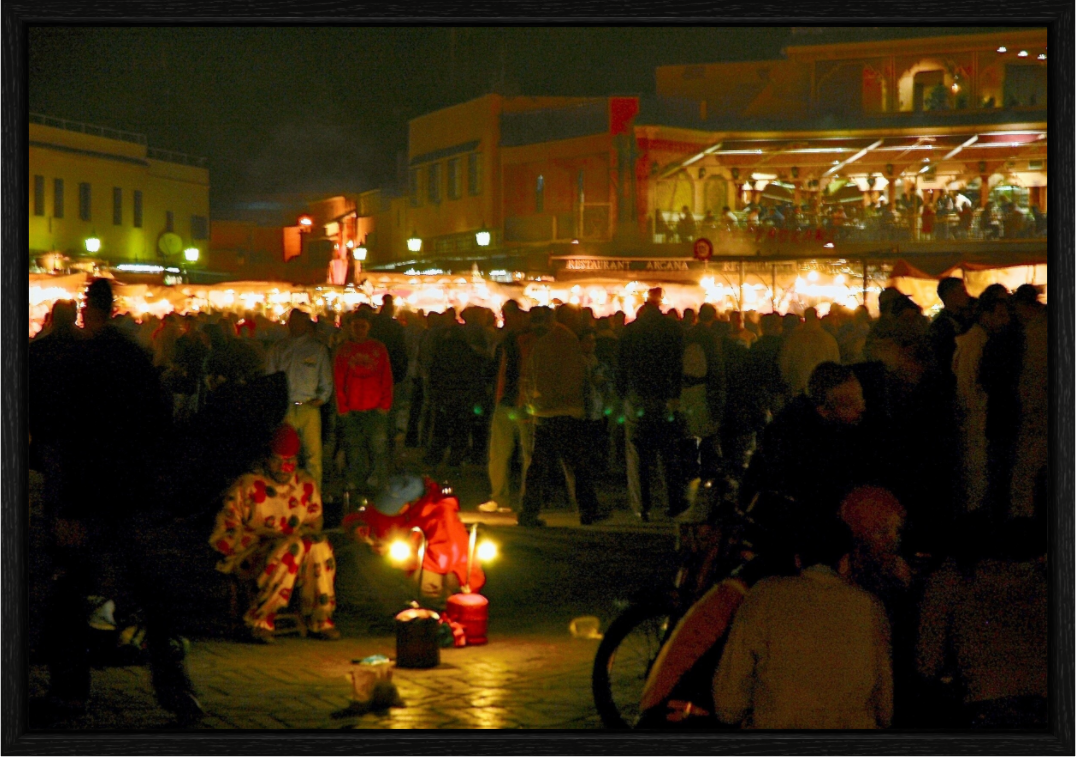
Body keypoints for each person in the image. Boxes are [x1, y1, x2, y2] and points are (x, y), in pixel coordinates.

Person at [35, 278, 203, 725]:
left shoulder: (78, 363)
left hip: (91, 494)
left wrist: (64, 504)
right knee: (149, 591)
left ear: (88, 311)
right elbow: (160, 427)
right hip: (131, 493)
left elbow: (63, 436)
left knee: (71, 591)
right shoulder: (134, 360)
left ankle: (70, 691)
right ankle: (173, 685)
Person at [712, 519, 893, 729]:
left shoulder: (765, 596)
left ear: (797, 560)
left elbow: (728, 704)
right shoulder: (869, 607)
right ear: (845, 561)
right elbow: (885, 709)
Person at [210, 424, 340, 643]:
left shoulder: (305, 484)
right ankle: (259, 619)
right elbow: (226, 533)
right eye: (278, 460)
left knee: (319, 545)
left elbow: (313, 522)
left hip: (294, 555)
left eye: (290, 462)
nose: (283, 468)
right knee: (292, 547)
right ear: (266, 459)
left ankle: (320, 617)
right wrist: (271, 540)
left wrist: (302, 536)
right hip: (251, 556)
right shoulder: (247, 485)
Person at [518, 306, 608, 527]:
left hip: (543, 412)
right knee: (578, 465)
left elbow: (530, 376)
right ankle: (588, 510)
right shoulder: (567, 340)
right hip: (567, 411)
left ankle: (528, 512)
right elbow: (577, 377)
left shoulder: (541, 343)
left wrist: (533, 403)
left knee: (537, 467)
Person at [343, 474, 485, 607]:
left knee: (423, 581)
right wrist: (357, 526)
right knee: (362, 552)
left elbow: (442, 562)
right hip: (412, 563)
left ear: (413, 501)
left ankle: (441, 608)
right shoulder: (403, 508)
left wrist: (401, 556)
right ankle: (396, 609)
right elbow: (367, 516)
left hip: (453, 575)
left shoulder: (440, 514)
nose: (392, 508)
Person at [617, 293, 688, 520]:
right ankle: (674, 502)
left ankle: (642, 506)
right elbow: (679, 363)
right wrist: (676, 394)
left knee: (638, 454)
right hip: (666, 396)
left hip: (637, 397)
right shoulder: (673, 330)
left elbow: (621, 367)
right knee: (669, 452)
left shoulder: (630, 331)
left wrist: (621, 395)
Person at [265, 308, 333, 491]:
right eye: (292, 321)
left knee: (313, 456)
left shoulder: (316, 348)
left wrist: (321, 398)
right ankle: (286, 492)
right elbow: (269, 378)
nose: (294, 325)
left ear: (305, 324)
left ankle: (313, 496)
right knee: (283, 453)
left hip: (308, 407)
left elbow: (326, 379)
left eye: (298, 322)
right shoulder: (279, 348)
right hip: (286, 407)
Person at [334, 310, 394, 498]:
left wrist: (385, 404)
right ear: (351, 328)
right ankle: (356, 485)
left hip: (375, 408)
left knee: (377, 449)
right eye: (356, 326)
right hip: (352, 409)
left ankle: (378, 485)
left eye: (363, 326)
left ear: (369, 328)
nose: (359, 330)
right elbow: (338, 379)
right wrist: (342, 406)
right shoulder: (344, 350)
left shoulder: (379, 348)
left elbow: (386, 377)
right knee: (354, 448)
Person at [778, 307, 840, 398]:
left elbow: (784, 363)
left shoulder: (793, 338)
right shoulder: (828, 339)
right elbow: (835, 363)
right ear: (817, 317)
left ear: (805, 317)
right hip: (821, 385)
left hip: (798, 385)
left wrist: (788, 380)